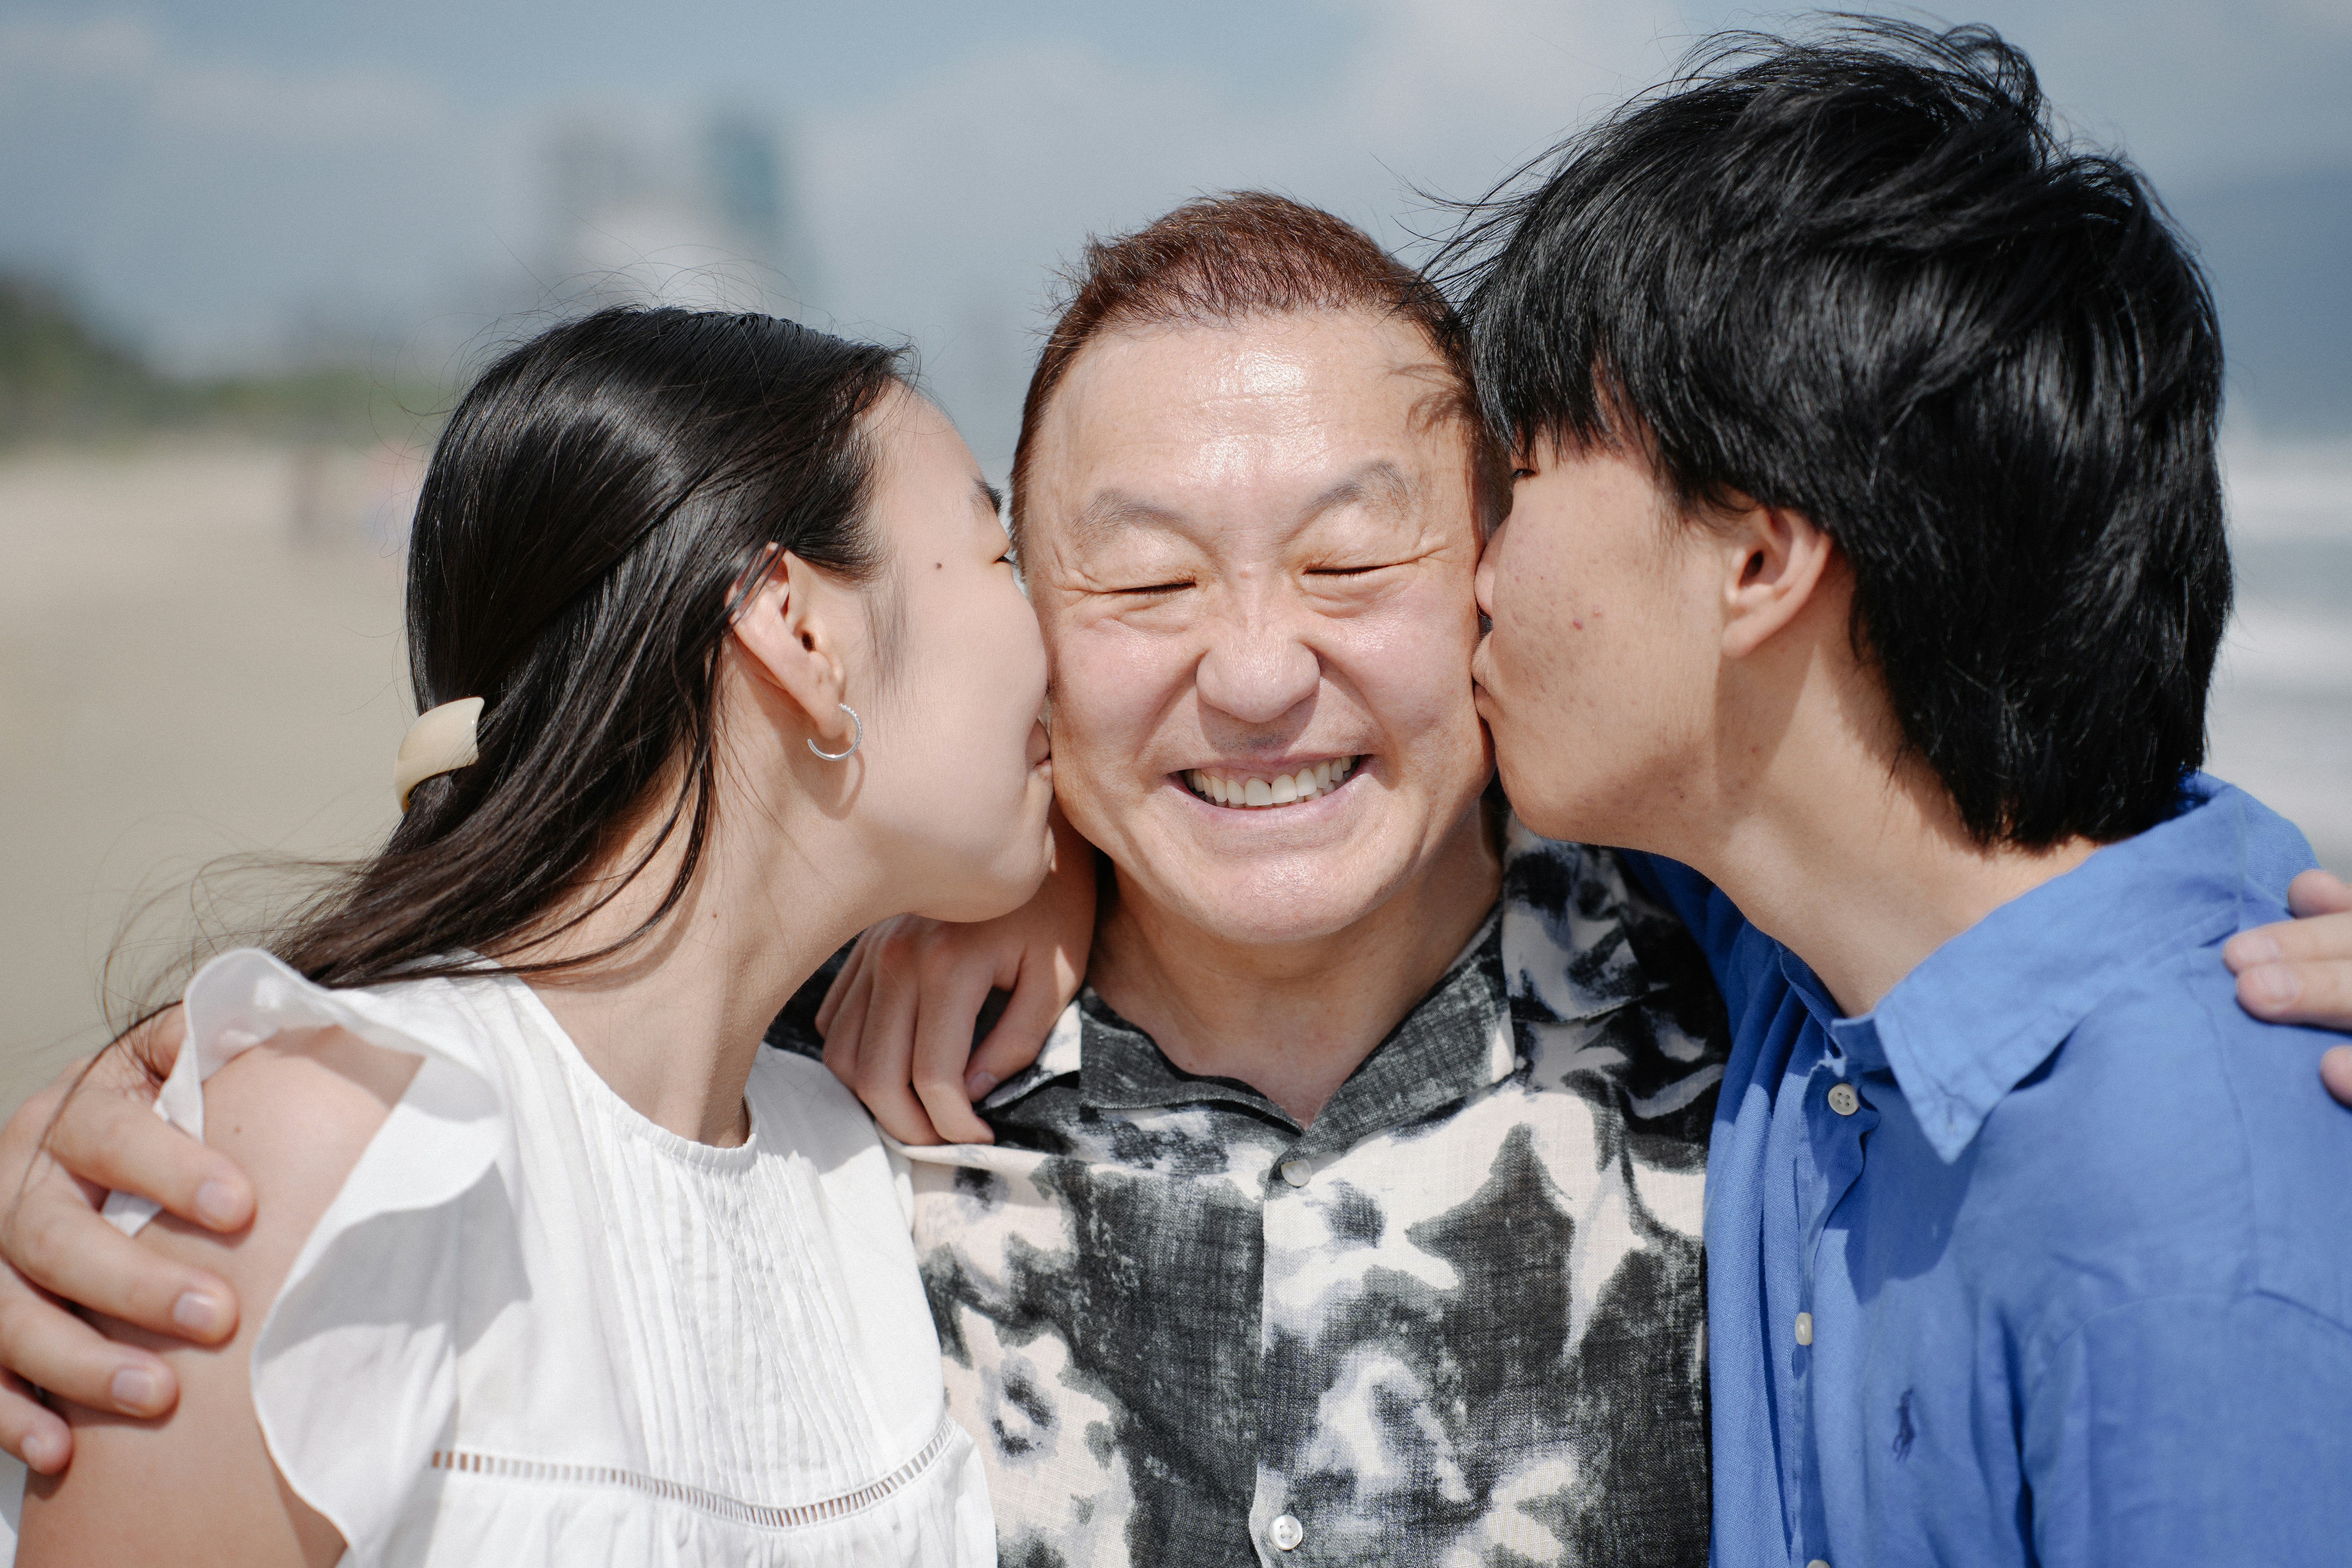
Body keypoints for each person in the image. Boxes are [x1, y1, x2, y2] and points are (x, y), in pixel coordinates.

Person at [8, 187, 2352, 1565]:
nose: (1255, 676)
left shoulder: (1748, 1019)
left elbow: (2043, 919)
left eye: (1355, 556)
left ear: (1502, 591)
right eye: (1130, 586)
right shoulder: (843, 1097)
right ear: (1021, 624)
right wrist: (131, 1137)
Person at [1458, 19, 2352, 1566]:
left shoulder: (2182, 1217)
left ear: (1755, 559)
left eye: (1516, 477)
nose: (1468, 570)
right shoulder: (1813, 954)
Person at [9, 304, 1056, 1564]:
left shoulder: (861, 1162)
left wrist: (1077, 879)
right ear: (800, 628)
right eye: (999, 552)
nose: (1051, 630)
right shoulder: (329, 1150)